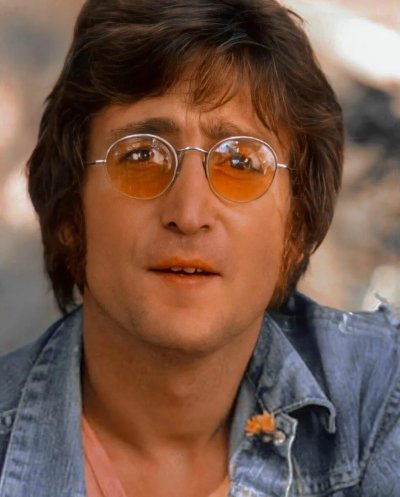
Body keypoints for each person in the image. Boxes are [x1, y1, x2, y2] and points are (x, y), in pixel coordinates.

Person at [0, 1, 399, 496]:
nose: (189, 214)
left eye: (241, 162)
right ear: (70, 216)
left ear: (296, 228)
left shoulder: (382, 405)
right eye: (141, 156)